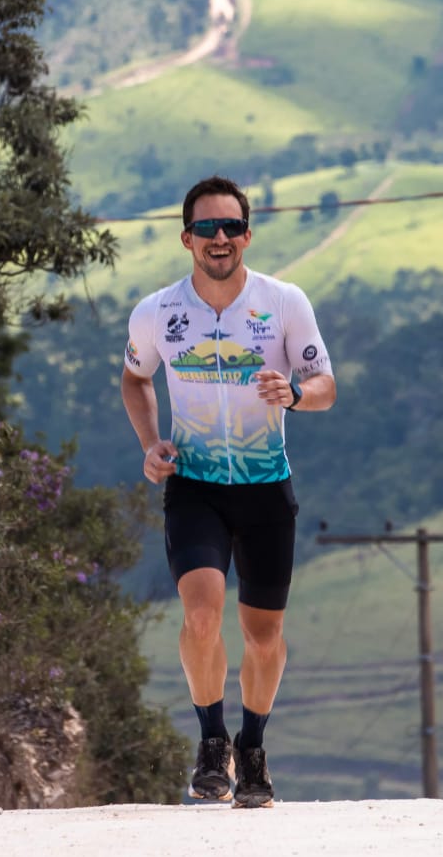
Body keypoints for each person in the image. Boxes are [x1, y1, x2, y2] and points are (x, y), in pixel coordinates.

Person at [120, 175, 336, 809]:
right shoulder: (157, 312)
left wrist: (295, 394)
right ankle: (213, 741)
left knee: (264, 636)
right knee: (202, 614)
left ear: (248, 234)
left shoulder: (284, 302)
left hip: (268, 490)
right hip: (195, 489)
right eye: (207, 228)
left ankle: (254, 746)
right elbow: (135, 380)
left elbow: (325, 383)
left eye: (232, 227)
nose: (220, 239)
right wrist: (150, 444)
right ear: (187, 238)